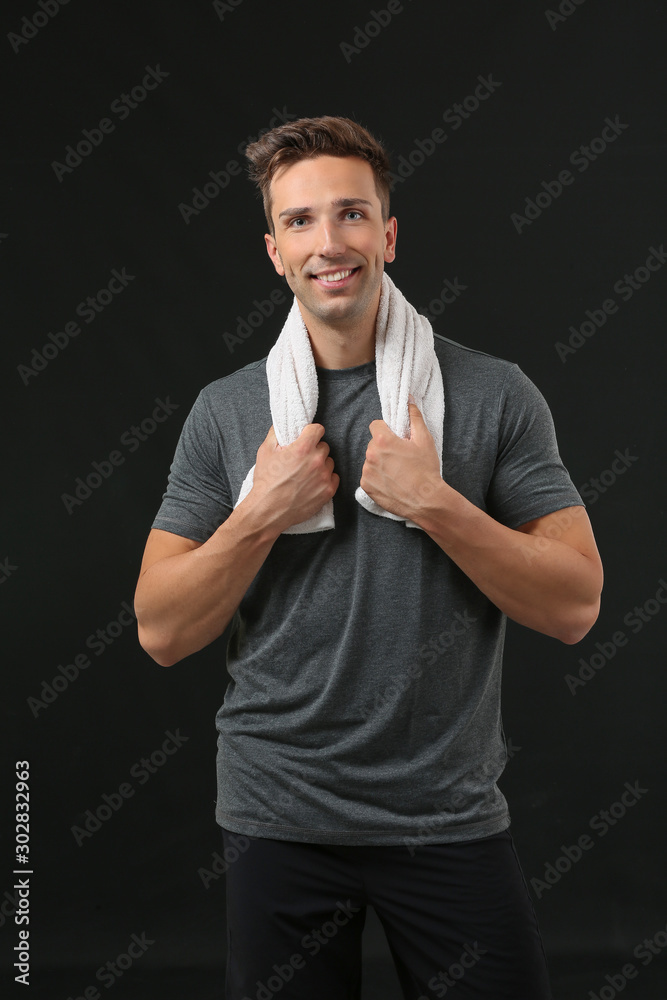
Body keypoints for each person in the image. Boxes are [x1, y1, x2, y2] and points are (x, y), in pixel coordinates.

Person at [134, 116, 603, 999]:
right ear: (273, 250)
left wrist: (434, 501)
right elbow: (161, 629)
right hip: (280, 816)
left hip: (446, 817)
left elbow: (575, 607)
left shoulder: (493, 395)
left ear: (387, 233)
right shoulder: (227, 414)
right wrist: (262, 513)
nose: (328, 242)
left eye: (351, 214)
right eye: (301, 221)